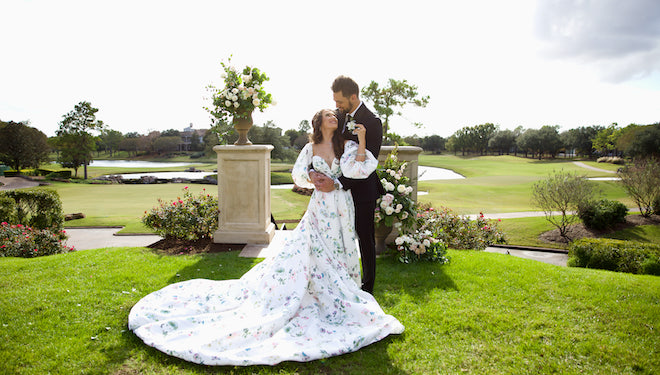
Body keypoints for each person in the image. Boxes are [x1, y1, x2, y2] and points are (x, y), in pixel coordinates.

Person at [128, 109, 403, 366]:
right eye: (329, 115)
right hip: (319, 207)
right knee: (313, 247)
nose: (335, 117)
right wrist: (310, 174)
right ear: (318, 123)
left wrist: (363, 138)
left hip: (342, 206)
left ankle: (341, 291)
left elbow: (362, 168)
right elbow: (299, 174)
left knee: (341, 248)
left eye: (335, 115)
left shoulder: (347, 145)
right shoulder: (310, 148)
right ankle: (309, 289)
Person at [310, 75, 384, 294]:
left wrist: (338, 183)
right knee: (339, 236)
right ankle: (338, 280)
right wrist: (313, 170)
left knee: (365, 237)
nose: (336, 106)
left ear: (353, 97)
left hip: (362, 192)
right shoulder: (340, 117)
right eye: (334, 102)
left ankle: (367, 287)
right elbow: (323, 144)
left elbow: (367, 164)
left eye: (340, 102)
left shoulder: (372, 122)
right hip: (337, 194)